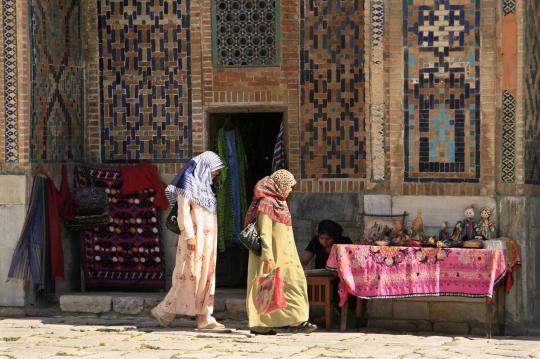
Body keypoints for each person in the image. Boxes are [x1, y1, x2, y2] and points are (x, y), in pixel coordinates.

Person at [151, 151, 225, 329]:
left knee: (206, 276)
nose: (215, 173)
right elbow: (183, 213)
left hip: (208, 241)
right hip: (193, 239)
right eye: (214, 169)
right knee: (189, 275)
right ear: (204, 167)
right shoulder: (188, 185)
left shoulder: (207, 188)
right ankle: (165, 311)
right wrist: (189, 236)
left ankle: (204, 317)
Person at [245, 169, 316, 335]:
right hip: (271, 255)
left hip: (286, 255)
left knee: (294, 284)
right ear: (281, 185)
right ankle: (260, 325)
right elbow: (264, 232)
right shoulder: (266, 203)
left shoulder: (280, 203)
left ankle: (297, 320)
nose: (290, 190)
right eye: (289, 186)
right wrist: (267, 256)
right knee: (265, 288)